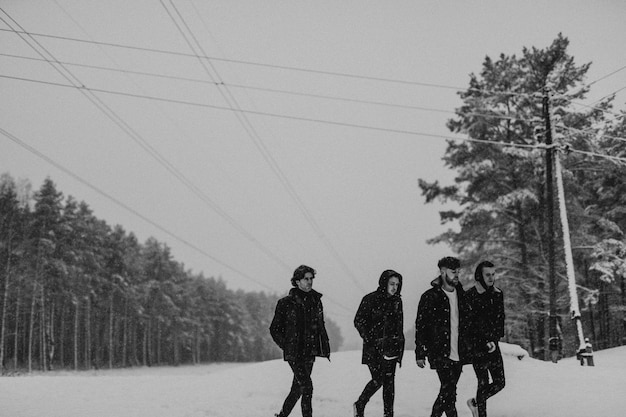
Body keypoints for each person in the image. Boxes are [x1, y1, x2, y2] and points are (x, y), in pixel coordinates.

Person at [270, 265, 331, 417]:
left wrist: (322, 344)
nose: (310, 282)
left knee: (297, 389)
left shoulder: (316, 301)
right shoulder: (285, 303)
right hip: (294, 353)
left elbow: (320, 326)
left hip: (309, 351)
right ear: (297, 281)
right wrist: (286, 345)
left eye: (311, 279)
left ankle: (282, 415)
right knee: (307, 387)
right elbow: (274, 329)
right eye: (306, 279)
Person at [415, 256, 471, 417]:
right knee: (448, 391)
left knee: (448, 394)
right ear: (442, 272)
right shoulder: (430, 297)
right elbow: (421, 326)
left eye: (458, 272)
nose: (456, 275)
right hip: (440, 352)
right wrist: (420, 352)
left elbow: (469, 324)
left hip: (459, 352)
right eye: (453, 272)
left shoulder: (462, 296)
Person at [353, 270, 405, 417]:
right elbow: (358, 320)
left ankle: (388, 414)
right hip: (373, 349)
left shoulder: (397, 301)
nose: (394, 287)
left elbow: (399, 326)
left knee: (389, 383)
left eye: (397, 284)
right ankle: (360, 403)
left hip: (392, 348)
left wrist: (399, 345)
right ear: (384, 283)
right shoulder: (370, 299)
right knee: (378, 379)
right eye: (392, 284)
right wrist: (369, 338)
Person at [465, 261, 505, 417]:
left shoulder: (497, 293)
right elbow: (469, 325)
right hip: (477, 346)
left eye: (493, 274)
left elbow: (500, 319)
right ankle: (481, 414)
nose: (491, 277)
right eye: (487, 274)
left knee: (500, 382)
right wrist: (483, 340)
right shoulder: (470, 296)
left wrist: (494, 339)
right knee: (482, 381)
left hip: (493, 344)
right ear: (479, 276)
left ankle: (475, 403)